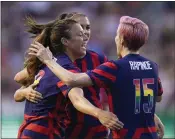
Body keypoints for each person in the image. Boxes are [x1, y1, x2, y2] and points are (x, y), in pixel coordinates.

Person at [29, 16, 164, 139]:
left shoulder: (114, 67)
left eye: (117, 35)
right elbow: (157, 97)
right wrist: (148, 113)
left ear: (121, 39)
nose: (116, 39)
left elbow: (72, 80)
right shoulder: (153, 66)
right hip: (151, 134)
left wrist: (48, 60)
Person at [15, 18, 121, 139]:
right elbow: (77, 99)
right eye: (80, 35)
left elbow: (18, 87)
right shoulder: (63, 68)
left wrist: (23, 91)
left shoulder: (49, 62)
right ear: (65, 41)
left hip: (29, 132)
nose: (85, 38)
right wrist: (100, 113)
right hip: (45, 133)